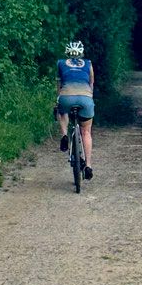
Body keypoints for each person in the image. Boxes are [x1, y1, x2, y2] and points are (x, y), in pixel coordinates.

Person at [56, 40, 95, 180]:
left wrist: (58, 99)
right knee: (86, 131)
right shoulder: (88, 63)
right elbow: (91, 83)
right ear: (81, 53)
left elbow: (59, 85)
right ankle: (88, 165)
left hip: (66, 97)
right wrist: (90, 98)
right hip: (85, 99)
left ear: (67, 52)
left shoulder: (60, 63)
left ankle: (64, 135)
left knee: (62, 111)